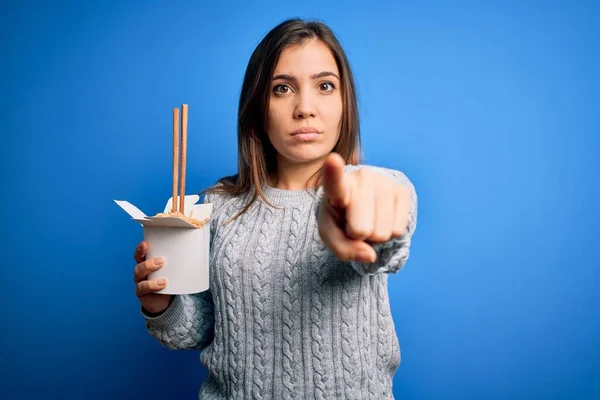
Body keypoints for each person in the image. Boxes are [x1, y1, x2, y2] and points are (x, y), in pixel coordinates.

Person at [132, 18, 418, 399]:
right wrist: (161, 303)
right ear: (258, 107)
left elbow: (384, 244)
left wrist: (361, 220)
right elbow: (198, 330)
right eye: (282, 89)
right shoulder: (217, 207)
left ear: (345, 103)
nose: (305, 108)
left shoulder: (376, 187)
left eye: (325, 86)